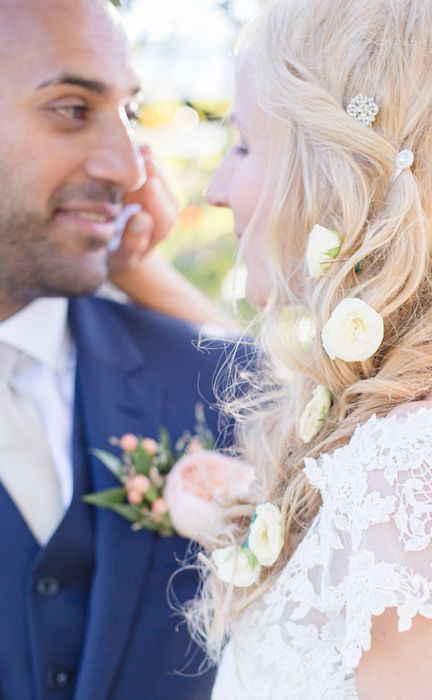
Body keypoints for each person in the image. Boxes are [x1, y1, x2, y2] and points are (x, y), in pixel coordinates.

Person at [171, 0, 432, 697]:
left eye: (245, 144)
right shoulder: (429, 432)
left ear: (339, 171)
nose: (218, 188)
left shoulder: (427, 482)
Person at [0, 1, 235, 698]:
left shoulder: (207, 382)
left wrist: (137, 274)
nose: (129, 167)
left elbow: (352, 447)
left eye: (129, 112)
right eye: (72, 109)